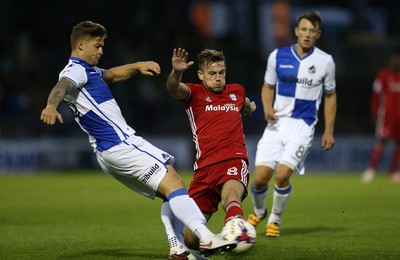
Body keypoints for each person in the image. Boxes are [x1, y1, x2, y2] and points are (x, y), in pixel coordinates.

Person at [40, 21, 236, 259]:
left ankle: (179, 250)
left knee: (170, 190)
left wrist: (136, 65)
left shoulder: (88, 71)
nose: (101, 51)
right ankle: (206, 237)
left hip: (107, 154)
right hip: (120, 143)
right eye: (97, 46)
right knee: (175, 183)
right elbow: (62, 85)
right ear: (81, 45)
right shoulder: (74, 70)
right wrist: (51, 105)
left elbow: (111, 75)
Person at [247, 11, 337, 237]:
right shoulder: (277, 56)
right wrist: (267, 108)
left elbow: (330, 96)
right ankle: (259, 211)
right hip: (276, 124)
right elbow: (268, 86)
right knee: (259, 179)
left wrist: (328, 130)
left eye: (312, 31)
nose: (307, 35)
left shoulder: (325, 61)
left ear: (318, 34)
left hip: (302, 127)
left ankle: (274, 221)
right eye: (303, 29)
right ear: (296, 31)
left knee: (282, 175)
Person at [166, 48, 256, 250]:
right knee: (191, 238)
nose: (218, 78)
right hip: (204, 169)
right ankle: (223, 242)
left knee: (230, 196)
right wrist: (176, 72)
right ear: (201, 75)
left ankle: (236, 231)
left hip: (233, 159)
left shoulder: (237, 91)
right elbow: (173, 89)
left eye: (221, 73)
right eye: (212, 74)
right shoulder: (194, 93)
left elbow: (245, 104)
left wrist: (250, 108)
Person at [361, 52, 400, 183]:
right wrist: (374, 111)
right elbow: (376, 94)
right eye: (395, 59)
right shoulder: (383, 75)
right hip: (386, 116)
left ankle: (393, 172)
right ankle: (371, 169)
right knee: (382, 141)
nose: (397, 62)